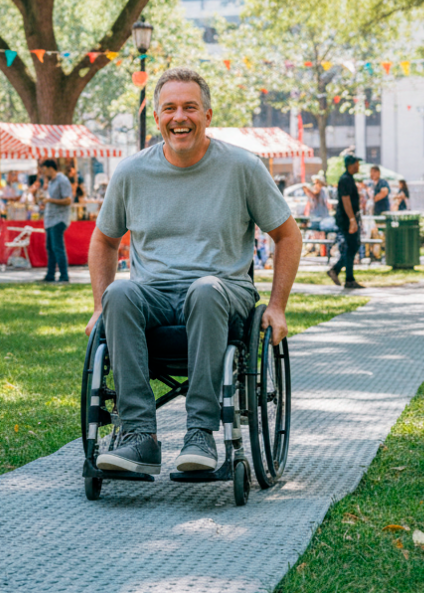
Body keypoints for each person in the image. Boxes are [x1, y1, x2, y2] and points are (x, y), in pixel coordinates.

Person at [86, 67, 301, 476]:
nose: (179, 117)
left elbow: (288, 236)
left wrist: (277, 306)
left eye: (189, 107)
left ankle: (200, 432)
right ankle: (137, 436)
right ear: (157, 118)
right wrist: (99, 305)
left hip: (223, 292)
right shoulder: (132, 172)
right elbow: (104, 240)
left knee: (204, 289)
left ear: (207, 115)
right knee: (119, 294)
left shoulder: (243, 167)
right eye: (169, 108)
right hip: (153, 294)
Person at [327, 154, 364, 289]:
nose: (358, 166)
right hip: (346, 219)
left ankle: (341, 273)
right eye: (357, 163)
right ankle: (345, 276)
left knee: (353, 246)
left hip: (350, 218)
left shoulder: (350, 179)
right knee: (351, 246)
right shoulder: (345, 179)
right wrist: (352, 220)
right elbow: (345, 200)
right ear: (351, 164)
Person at [40, 159, 73, 283]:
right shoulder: (50, 182)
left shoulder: (62, 180)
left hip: (59, 219)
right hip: (49, 219)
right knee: (50, 248)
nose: (43, 173)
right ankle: (50, 275)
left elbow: (68, 200)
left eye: (44, 170)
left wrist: (50, 200)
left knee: (57, 247)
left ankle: (64, 276)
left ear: (50, 168)